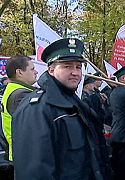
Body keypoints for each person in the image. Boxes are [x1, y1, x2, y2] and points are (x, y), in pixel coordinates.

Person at [12, 38, 110, 179]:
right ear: (51, 70)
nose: (75, 72)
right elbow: (35, 172)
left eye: (78, 67)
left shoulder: (74, 102)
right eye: (67, 66)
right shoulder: (37, 109)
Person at [1, 55, 38, 162]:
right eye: (32, 69)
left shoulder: (14, 90)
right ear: (19, 72)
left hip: (22, 154)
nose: (35, 72)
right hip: (26, 155)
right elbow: (37, 126)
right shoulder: (21, 95)